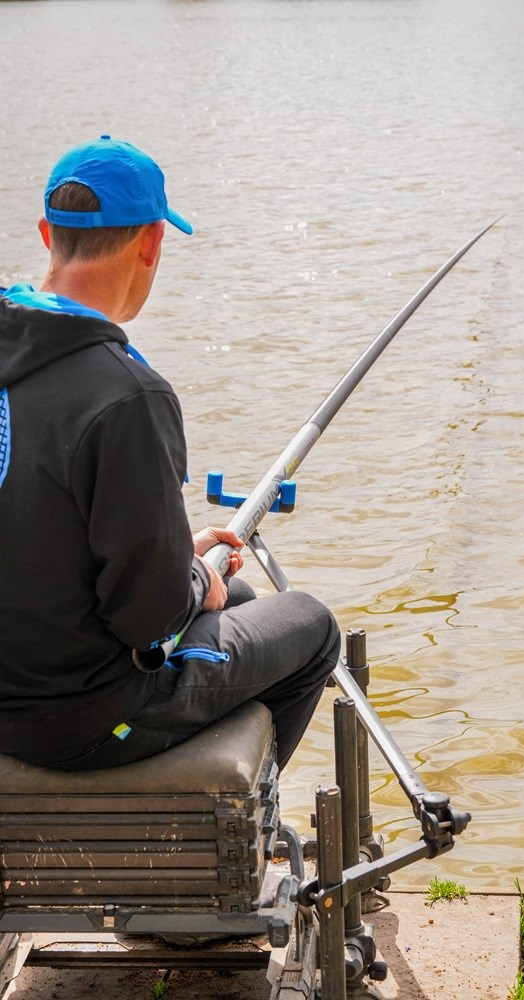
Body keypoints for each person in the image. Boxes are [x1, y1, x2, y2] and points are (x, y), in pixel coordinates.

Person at [0, 135, 340, 772]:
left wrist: (176, 555)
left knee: (241, 600)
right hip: (85, 719)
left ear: (47, 234)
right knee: (311, 625)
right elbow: (149, 620)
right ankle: (238, 813)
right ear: (151, 242)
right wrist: (195, 578)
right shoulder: (127, 395)